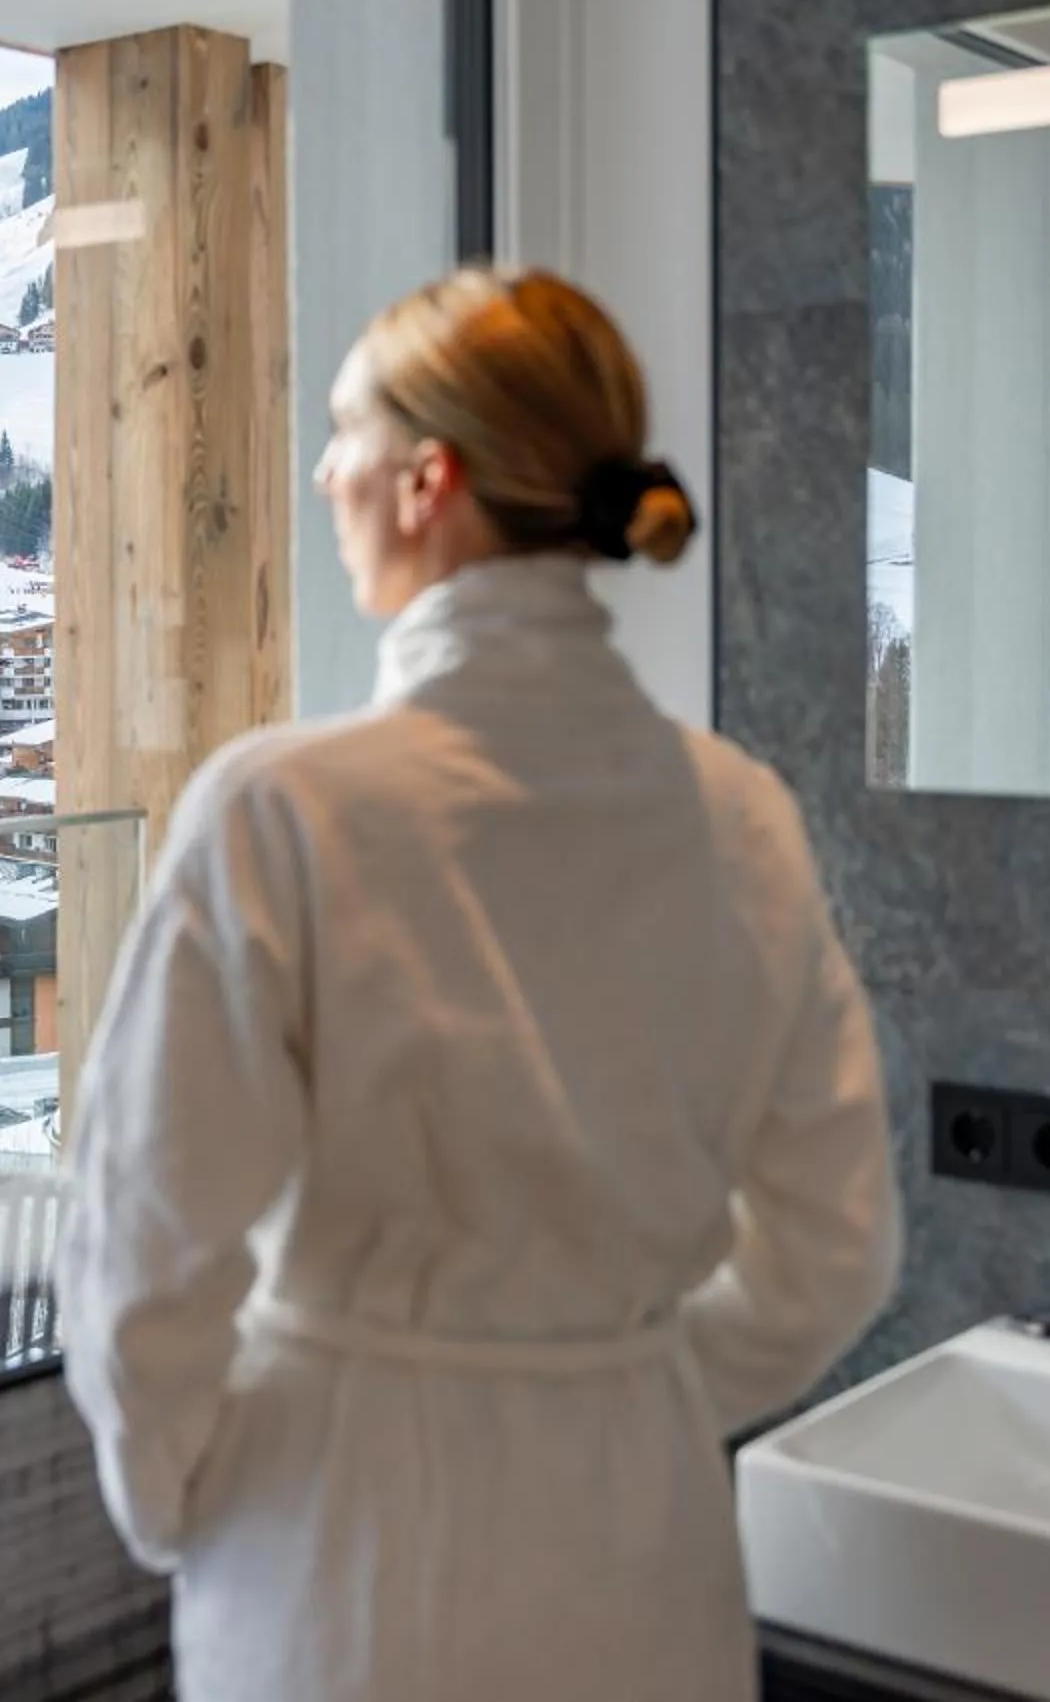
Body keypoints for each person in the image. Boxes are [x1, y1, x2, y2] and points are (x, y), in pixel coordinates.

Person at [58, 266, 902, 1702]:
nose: (322, 473)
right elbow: (839, 1248)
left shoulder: (279, 815)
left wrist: (181, 1497)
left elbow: (146, 1239)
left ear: (426, 480)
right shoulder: (742, 816)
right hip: (644, 1551)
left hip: (341, 1548)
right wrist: (618, 1382)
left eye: (344, 432)